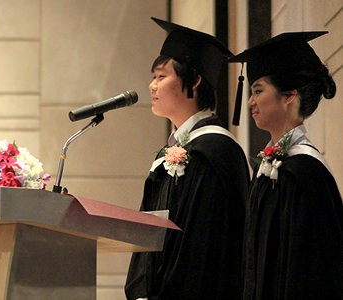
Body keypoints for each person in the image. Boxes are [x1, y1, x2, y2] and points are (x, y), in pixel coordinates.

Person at [125, 17, 250, 300]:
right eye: (153, 77)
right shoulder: (171, 154)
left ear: (194, 80)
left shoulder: (215, 151)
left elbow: (201, 246)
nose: (151, 86)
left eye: (160, 77)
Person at [230, 32, 343, 299]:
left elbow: (315, 269)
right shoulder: (268, 167)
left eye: (258, 91)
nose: (250, 102)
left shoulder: (305, 170)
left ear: (289, 96)